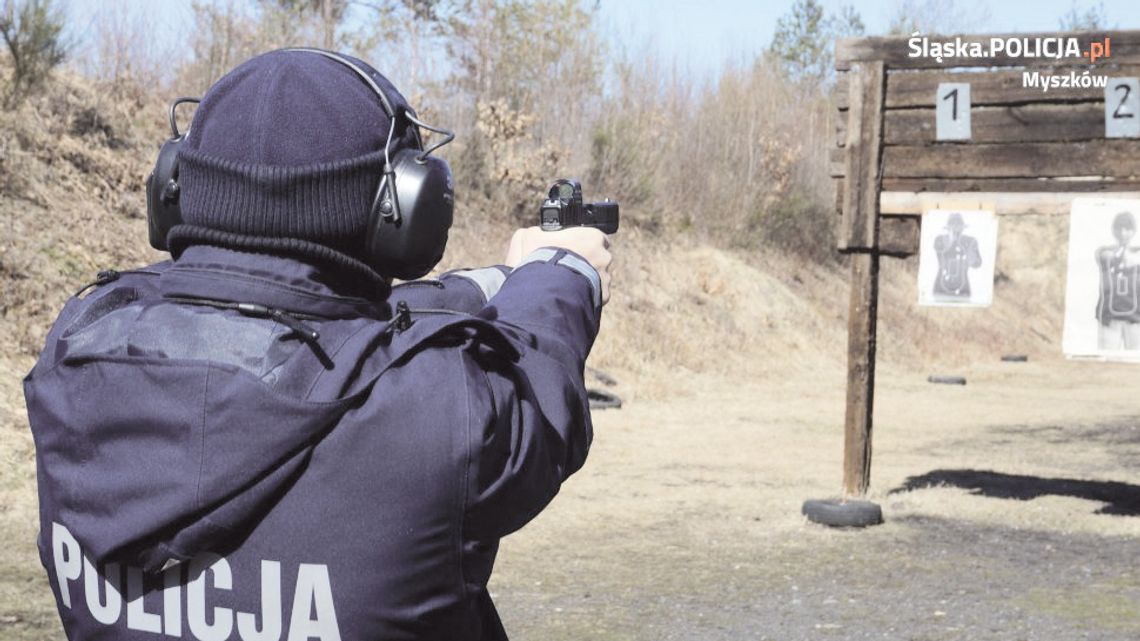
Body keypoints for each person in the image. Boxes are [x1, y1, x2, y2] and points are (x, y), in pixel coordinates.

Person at [24, 49, 612, 641]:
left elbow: (310, 324)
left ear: (175, 185)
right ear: (401, 207)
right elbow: (539, 385)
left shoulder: (79, 348)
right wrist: (562, 268)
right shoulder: (433, 417)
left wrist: (492, 284)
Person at [1095, 211, 1140, 350]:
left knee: (1135, 364)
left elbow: (1132, 258)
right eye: (1119, 228)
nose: (1123, 233)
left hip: (1137, 319)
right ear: (1113, 231)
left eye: (1127, 229)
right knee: (1106, 364)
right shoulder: (1103, 250)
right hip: (1109, 318)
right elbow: (1106, 257)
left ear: (1134, 231)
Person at [932, 212, 982, 302]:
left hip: (963, 290)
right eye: (952, 225)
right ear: (947, 227)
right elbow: (938, 249)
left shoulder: (969, 241)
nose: (955, 228)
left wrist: (970, 254)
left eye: (958, 225)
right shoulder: (940, 239)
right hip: (941, 288)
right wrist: (951, 240)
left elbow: (977, 264)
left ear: (963, 227)